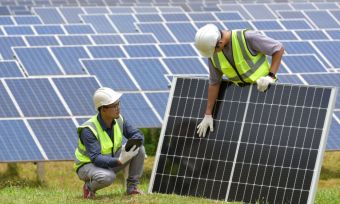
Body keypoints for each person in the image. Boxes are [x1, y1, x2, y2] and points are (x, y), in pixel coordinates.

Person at [195, 24, 285, 138]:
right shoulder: (213, 54)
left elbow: (278, 49)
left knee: (270, 133)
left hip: (267, 91)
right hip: (243, 97)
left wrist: (270, 76)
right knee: (249, 136)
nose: (213, 54)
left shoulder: (247, 37)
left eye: (214, 51)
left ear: (220, 43)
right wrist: (208, 113)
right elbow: (214, 82)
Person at [74, 87, 145, 199]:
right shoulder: (88, 130)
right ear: (103, 109)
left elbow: (138, 134)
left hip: (109, 161)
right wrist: (119, 161)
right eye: (114, 106)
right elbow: (96, 158)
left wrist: (133, 143)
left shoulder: (119, 120)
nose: (118, 108)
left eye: (118, 104)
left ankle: (132, 188)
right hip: (87, 166)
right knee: (108, 177)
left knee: (138, 148)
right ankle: (88, 187)